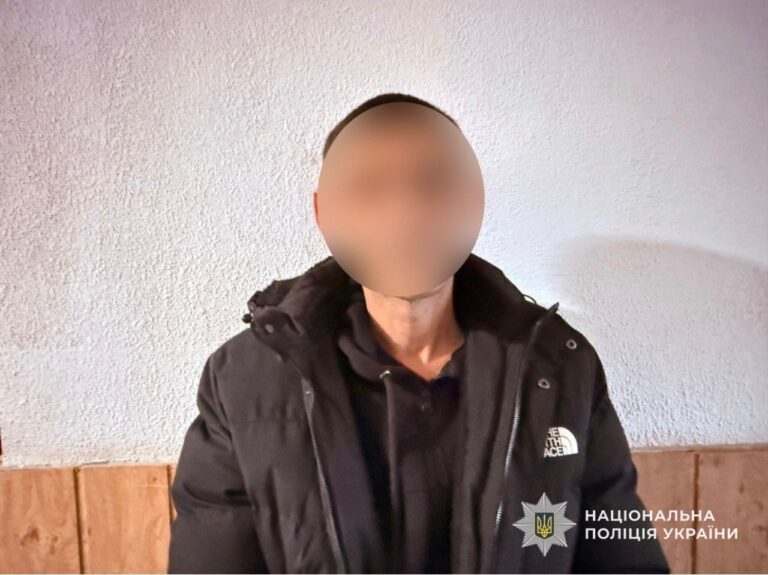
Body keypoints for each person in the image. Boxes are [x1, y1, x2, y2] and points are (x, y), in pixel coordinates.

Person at [167, 93, 670, 573]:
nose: (405, 213)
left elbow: (619, 550)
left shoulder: (558, 365)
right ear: (324, 214)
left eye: (433, 181)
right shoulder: (244, 378)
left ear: (473, 199)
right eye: (368, 188)